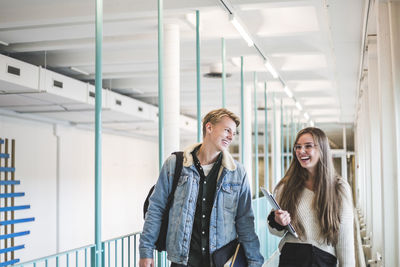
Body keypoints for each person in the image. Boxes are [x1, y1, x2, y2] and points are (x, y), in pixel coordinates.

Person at [139, 108, 264, 267]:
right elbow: (156, 208)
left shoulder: (237, 173)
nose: (231, 137)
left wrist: (254, 261)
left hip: (220, 260)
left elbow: (245, 221)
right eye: (227, 130)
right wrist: (146, 251)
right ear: (209, 127)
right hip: (183, 261)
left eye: (234, 133)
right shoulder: (175, 164)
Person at [267, 127, 355, 267]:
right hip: (290, 260)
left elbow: (345, 242)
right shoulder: (286, 186)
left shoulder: (339, 188)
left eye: (308, 146)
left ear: (322, 150)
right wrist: (277, 221)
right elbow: (274, 231)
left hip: (321, 261)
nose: (301, 151)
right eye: (298, 147)